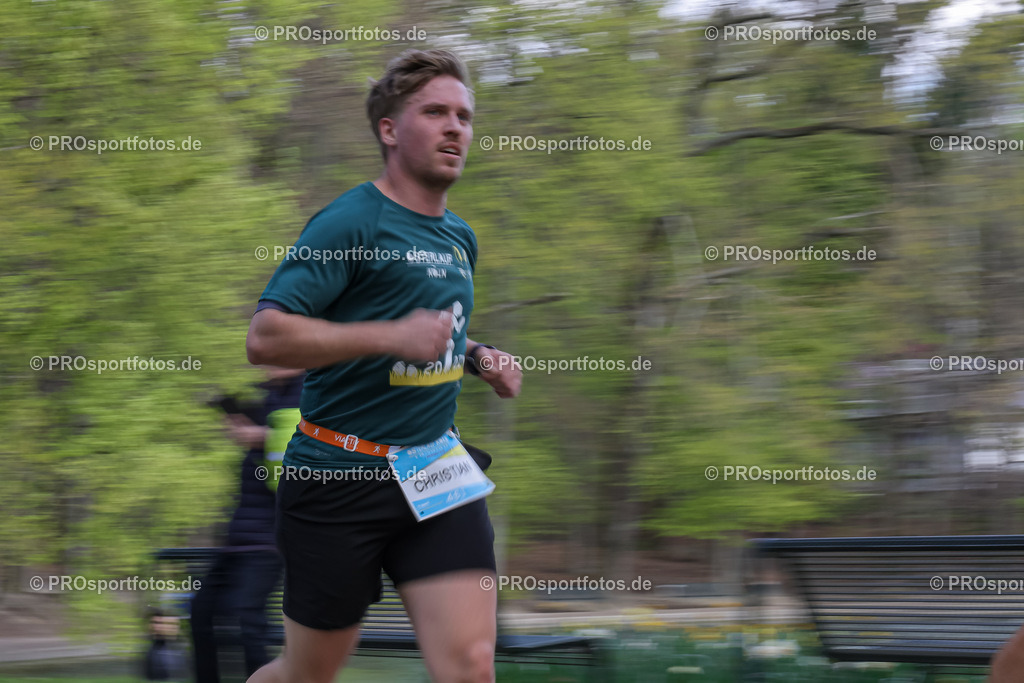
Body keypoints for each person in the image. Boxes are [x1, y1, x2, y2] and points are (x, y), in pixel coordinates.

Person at [244, 49, 521, 683]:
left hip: (433, 468)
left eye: (464, 116)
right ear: (390, 130)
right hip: (339, 479)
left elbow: (432, 326)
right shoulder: (349, 222)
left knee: (473, 667)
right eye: (435, 112)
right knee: (307, 674)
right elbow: (266, 339)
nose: (456, 127)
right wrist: (389, 336)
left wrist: (477, 355)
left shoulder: (459, 237)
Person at [190, 367, 304, 682]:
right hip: (239, 535)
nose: (267, 363)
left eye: (278, 355)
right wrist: (239, 421)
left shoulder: (311, 390)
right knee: (201, 611)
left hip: (270, 537)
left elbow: (316, 444)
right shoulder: (267, 393)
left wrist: (262, 437)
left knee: (245, 616)